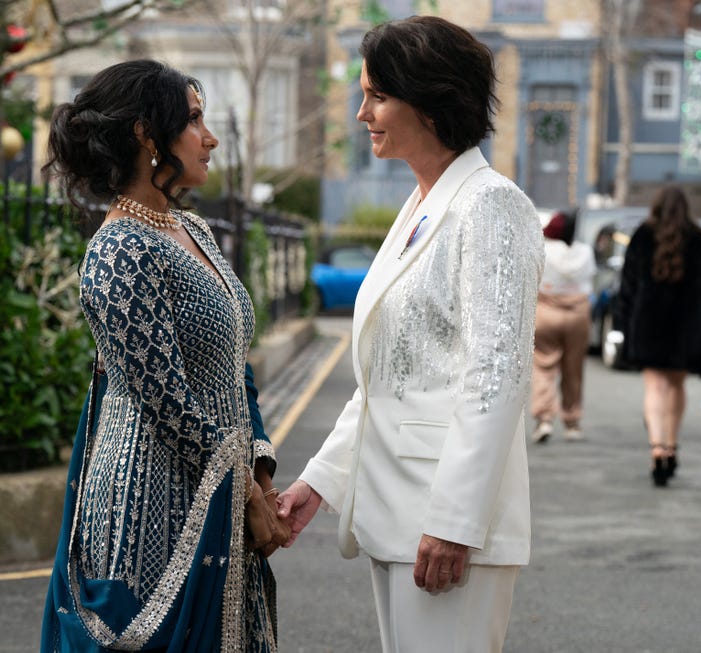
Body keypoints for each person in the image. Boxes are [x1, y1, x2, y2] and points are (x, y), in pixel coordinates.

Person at [276, 17, 543, 653]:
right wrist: (319, 481)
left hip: (444, 523)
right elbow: (387, 375)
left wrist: (456, 521)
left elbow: (497, 372)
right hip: (396, 513)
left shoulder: (490, 204)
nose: (361, 112)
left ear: (430, 101)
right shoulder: (422, 205)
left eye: (378, 95)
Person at [40, 60, 289, 652]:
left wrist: (258, 469)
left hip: (217, 486)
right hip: (149, 507)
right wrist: (246, 495)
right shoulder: (121, 250)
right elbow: (164, 401)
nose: (210, 137)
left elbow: (232, 362)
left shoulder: (193, 230)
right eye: (194, 120)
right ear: (147, 136)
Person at [613, 185, 701, 487]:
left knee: (654, 387)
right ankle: (672, 445)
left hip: (648, 324)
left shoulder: (642, 236)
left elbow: (627, 287)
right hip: (687, 327)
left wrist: (623, 325)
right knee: (676, 386)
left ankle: (657, 447)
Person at [530, 211, 597, 443]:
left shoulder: (544, 249)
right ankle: (572, 422)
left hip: (546, 311)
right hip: (578, 313)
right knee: (574, 369)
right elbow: (591, 278)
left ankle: (544, 418)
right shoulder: (585, 252)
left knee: (543, 367)